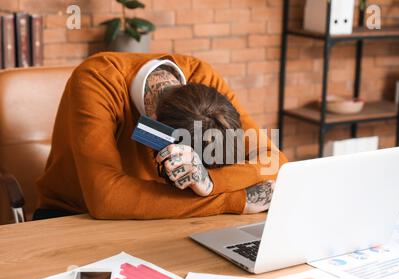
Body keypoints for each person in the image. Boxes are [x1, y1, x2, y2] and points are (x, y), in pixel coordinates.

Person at [34, 52, 287, 220]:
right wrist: (232, 200)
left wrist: (210, 182)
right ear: (153, 132)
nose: (195, 187)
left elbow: (276, 163)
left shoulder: (204, 80)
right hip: (73, 215)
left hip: (165, 215)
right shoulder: (96, 80)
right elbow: (107, 199)